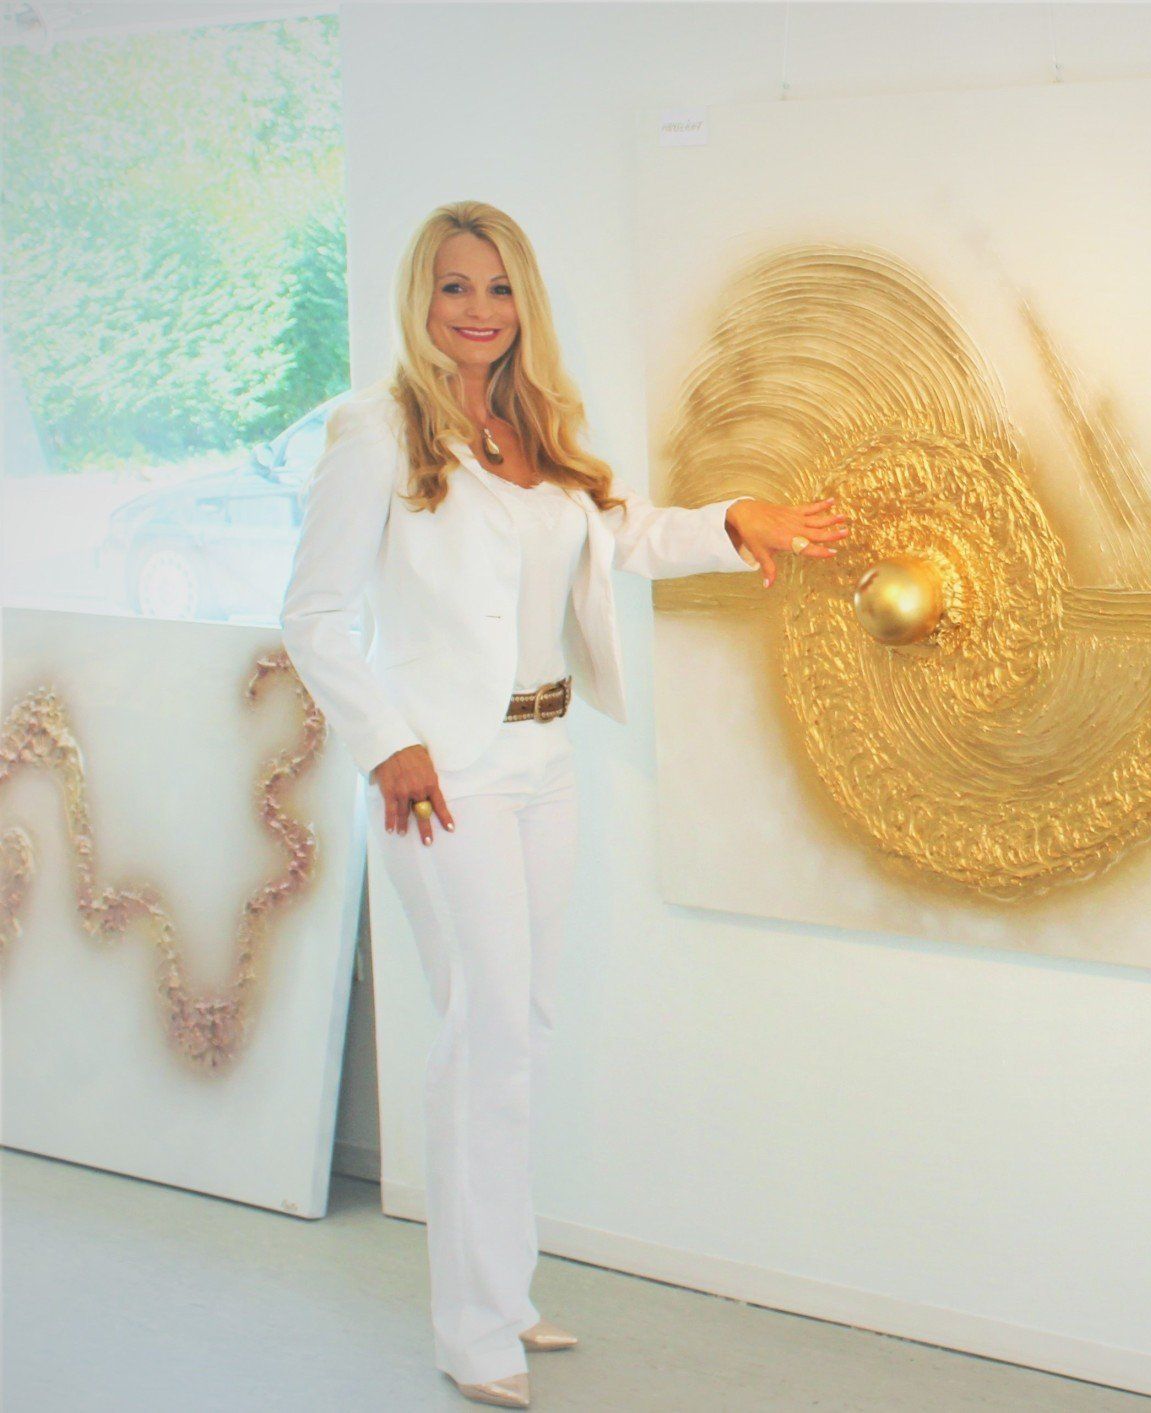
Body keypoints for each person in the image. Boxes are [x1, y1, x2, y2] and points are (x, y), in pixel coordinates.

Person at [279, 199, 847, 1408]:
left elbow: (621, 537)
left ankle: (506, 1292)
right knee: (483, 1037)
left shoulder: (537, 426)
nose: (477, 311)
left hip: (545, 759)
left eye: (498, 288)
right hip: (447, 776)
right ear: (420, 299)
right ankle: (472, 1330)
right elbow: (313, 614)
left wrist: (732, 519)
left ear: (523, 302)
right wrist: (388, 744)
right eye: (454, 287)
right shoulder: (377, 430)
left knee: (521, 1032)